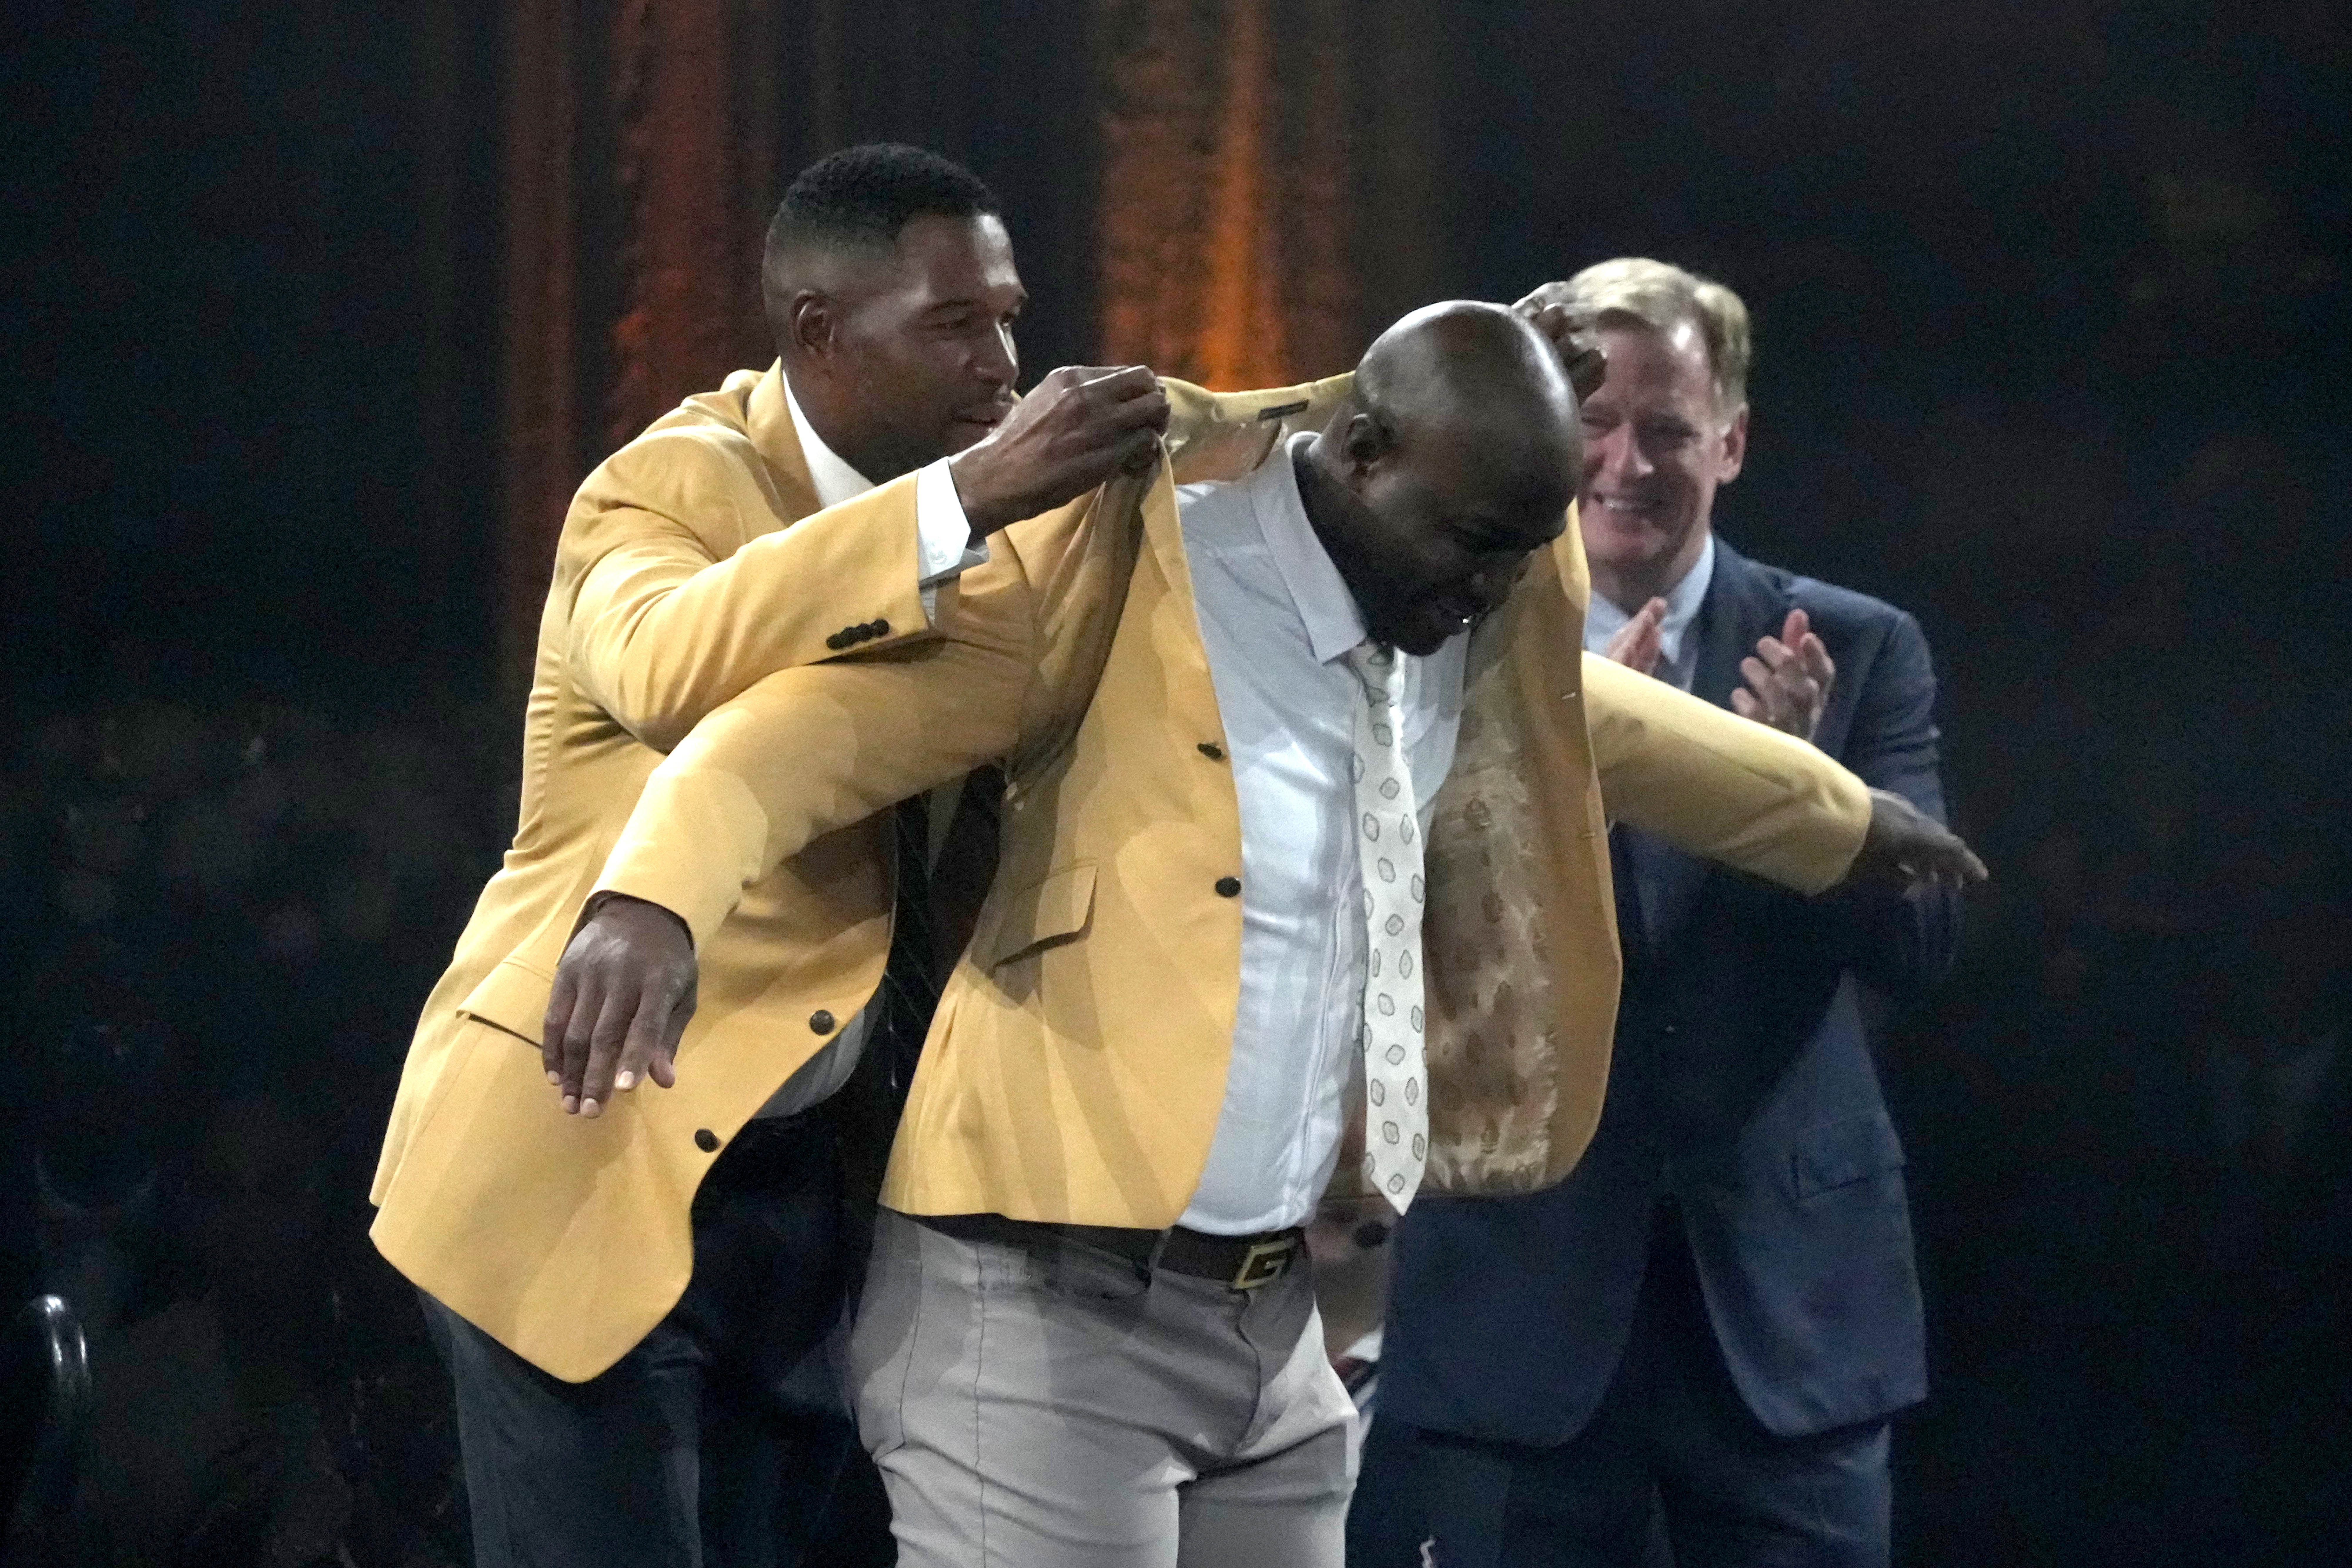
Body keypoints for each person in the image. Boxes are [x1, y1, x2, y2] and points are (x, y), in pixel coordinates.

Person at [546, 298, 1985, 1567]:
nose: (1490, 592)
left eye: (1516, 561)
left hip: (1271, 1325)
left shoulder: (1444, 612)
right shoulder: (1125, 569)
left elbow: (1618, 728)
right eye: (1474, 545)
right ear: (1363, 457)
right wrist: (649, 895)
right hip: (1040, 1316)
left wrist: (1847, 821)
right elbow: (796, 737)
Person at [366, 142, 1309, 1568]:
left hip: (818, 1201)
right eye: (954, 326)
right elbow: (666, 662)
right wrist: (965, 497)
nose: (1002, 361)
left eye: (1009, 316)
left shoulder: (994, 527)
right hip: (584, 1146)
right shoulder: (665, 487)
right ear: (817, 333)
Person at [1352, 258, 1964, 1568]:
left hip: (1785, 1323)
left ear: (1731, 442)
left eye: (1671, 430)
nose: (1626, 463)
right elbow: (1379, 925)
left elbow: (1925, 943)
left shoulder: (1857, 650)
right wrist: (1590, 772)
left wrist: (1805, 798)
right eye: (1598, 425)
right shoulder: (1442, 640)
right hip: (1520, 1311)